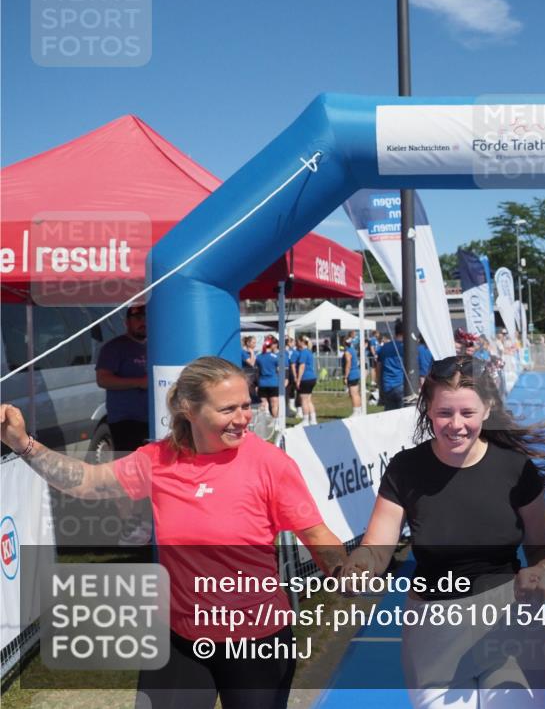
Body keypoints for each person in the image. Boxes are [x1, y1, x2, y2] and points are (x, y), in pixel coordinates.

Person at [1, 356, 346, 708]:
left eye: (246, 405)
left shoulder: (271, 464)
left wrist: (343, 574)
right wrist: (23, 444)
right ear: (189, 410)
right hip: (179, 639)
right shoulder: (158, 459)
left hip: (256, 641)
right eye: (228, 409)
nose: (243, 418)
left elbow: (316, 535)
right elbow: (88, 483)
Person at [343, 355, 545, 708]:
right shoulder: (405, 469)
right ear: (428, 409)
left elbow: (542, 550)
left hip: (509, 619)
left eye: (467, 413)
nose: (455, 425)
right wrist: (360, 566)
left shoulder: (517, 469)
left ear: (487, 409)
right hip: (433, 626)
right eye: (444, 413)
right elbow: (377, 548)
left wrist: (543, 571)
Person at [95, 303, 152, 545]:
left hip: (155, 422)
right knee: (126, 475)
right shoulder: (114, 348)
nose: (142, 322)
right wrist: (139, 382)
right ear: (127, 322)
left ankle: (149, 522)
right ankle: (130, 524)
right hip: (125, 421)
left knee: (152, 474)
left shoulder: (160, 342)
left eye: (145, 317)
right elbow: (103, 379)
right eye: (136, 318)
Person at [377, 322, 406, 410]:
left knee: (389, 417)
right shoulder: (406, 347)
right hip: (402, 386)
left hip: (387, 386)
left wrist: (380, 388)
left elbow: (379, 368)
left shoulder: (384, 347)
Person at [294, 335, 318, 425]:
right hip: (312, 378)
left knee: (303, 400)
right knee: (308, 400)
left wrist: (298, 379)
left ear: (301, 342)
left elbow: (302, 366)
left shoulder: (303, 352)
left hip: (305, 378)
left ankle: (305, 420)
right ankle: (313, 419)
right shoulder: (309, 352)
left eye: (297, 341)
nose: (296, 343)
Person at [256, 336, 282, 418]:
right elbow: (279, 370)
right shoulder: (275, 357)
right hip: (273, 382)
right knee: (274, 403)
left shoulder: (259, 357)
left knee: (264, 403)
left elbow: (258, 370)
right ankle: (276, 422)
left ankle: (266, 419)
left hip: (262, 383)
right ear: (271, 346)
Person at [343, 334, 363, 417]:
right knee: (356, 393)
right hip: (356, 373)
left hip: (352, 374)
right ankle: (359, 411)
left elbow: (348, 363)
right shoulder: (353, 350)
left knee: (353, 394)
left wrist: (345, 376)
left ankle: (356, 412)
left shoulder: (347, 351)